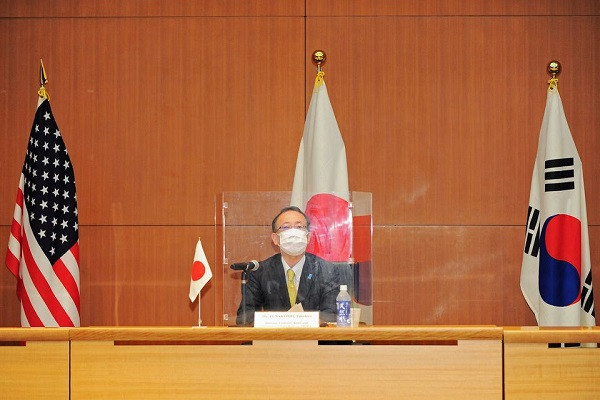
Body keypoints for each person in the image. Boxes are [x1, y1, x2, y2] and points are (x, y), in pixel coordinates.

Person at [236, 206, 339, 325]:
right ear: (275, 239)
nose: (293, 232)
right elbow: (245, 317)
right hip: (274, 341)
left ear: (308, 237)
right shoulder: (259, 271)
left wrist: (299, 323)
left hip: (316, 340)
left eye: (299, 227)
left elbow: (332, 314)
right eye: (286, 227)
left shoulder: (327, 270)